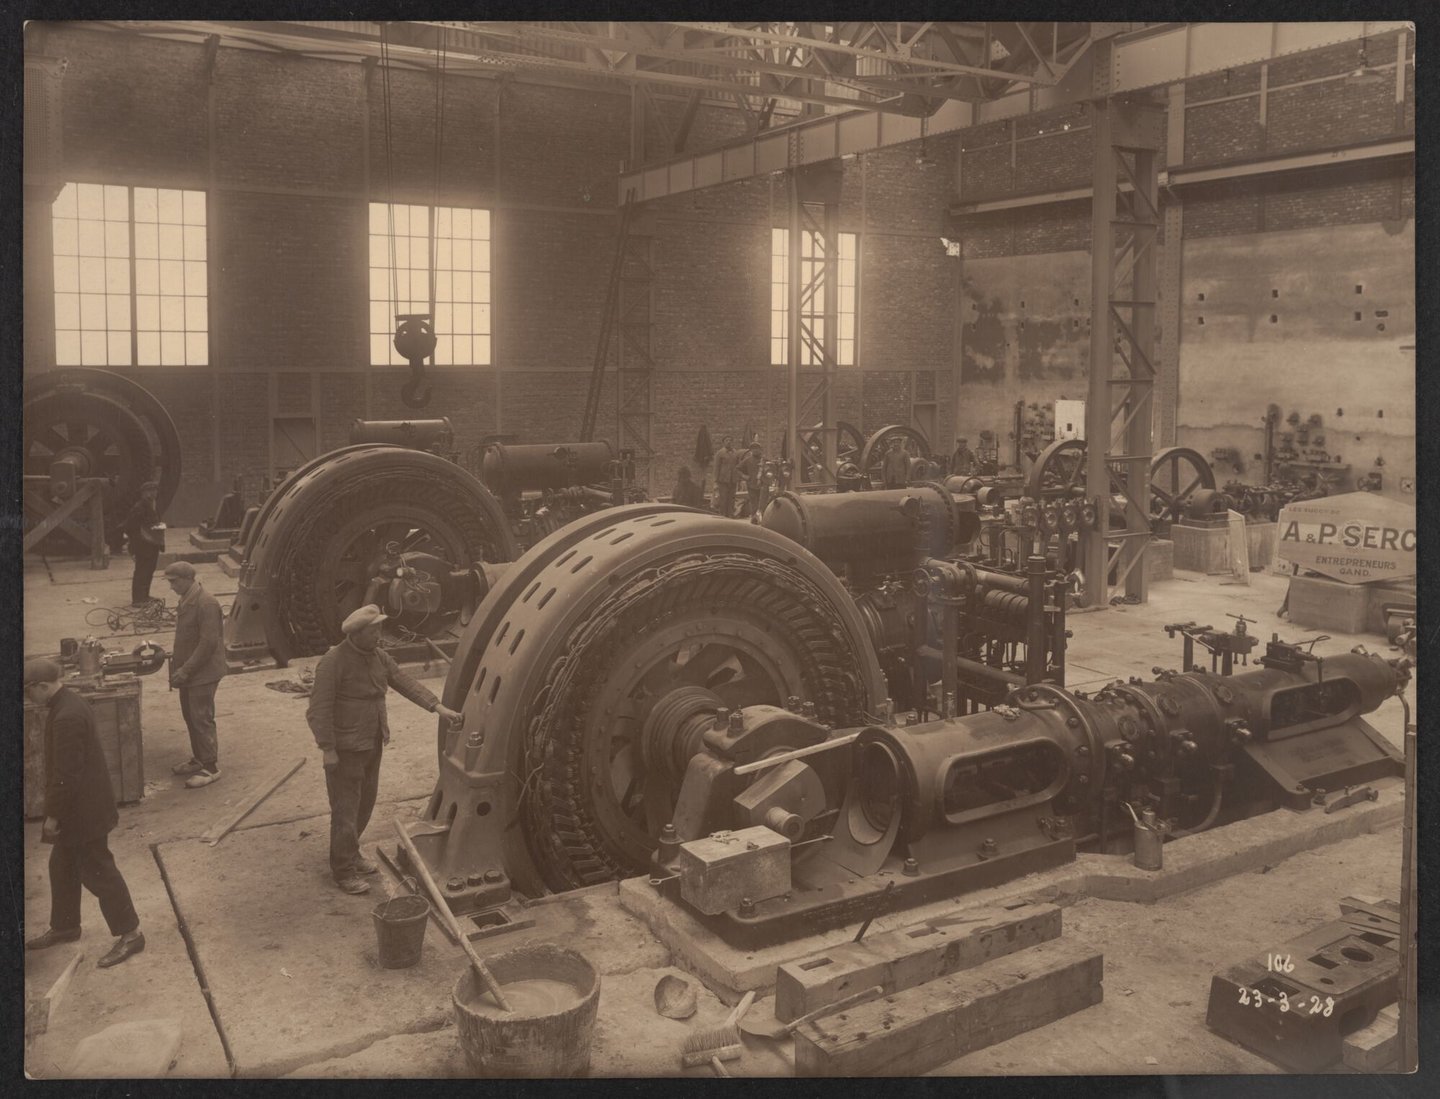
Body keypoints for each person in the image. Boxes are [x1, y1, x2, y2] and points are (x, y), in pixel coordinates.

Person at [306, 605, 464, 894]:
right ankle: (342, 871)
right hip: (346, 749)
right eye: (374, 630)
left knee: (365, 803)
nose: (379, 634)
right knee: (345, 810)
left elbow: (404, 682)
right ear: (356, 633)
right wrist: (328, 748)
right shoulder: (333, 661)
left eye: (379, 628)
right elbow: (318, 709)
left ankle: (351, 853)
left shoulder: (377, 656)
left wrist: (439, 708)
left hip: (372, 741)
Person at [24, 658, 145, 968]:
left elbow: (66, 774)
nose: (27, 699)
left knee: (98, 871)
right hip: (84, 803)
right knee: (61, 866)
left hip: (83, 810)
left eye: (28, 692)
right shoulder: (68, 702)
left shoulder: (66, 716)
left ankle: (131, 934)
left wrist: (53, 815)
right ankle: (66, 927)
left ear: (41, 686)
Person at [164, 562, 228, 788]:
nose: (171, 587)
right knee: (190, 716)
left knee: (201, 717)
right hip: (190, 672)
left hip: (203, 672)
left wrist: (185, 670)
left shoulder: (206, 603)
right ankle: (199, 758)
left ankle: (211, 767)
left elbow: (209, 643)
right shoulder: (186, 600)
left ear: (188, 578)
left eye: (174, 581)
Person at [121, 480, 165, 606]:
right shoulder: (139, 507)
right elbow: (130, 526)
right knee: (142, 570)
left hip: (152, 543)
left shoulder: (152, 505)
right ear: (144, 493)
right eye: (150, 491)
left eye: (155, 491)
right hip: (143, 544)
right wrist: (137, 540)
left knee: (149, 569)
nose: (153, 493)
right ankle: (138, 599)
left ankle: (145, 595)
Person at [713, 435, 739, 518]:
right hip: (723, 480)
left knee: (731, 499)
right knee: (723, 500)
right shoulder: (720, 453)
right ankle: (723, 516)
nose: (729, 442)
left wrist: (739, 478)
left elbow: (738, 466)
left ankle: (730, 515)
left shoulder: (735, 453)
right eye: (727, 440)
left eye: (730, 440)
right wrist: (715, 481)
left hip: (733, 480)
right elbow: (716, 468)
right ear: (723, 442)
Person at [737, 441, 764, 519]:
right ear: (751, 450)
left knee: (762, 502)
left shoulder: (764, 460)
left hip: (763, 485)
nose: (755, 450)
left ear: (760, 450)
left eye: (757, 448)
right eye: (753, 449)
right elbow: (738, 469)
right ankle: (754, 518)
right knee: (753, 503)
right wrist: (744, 476)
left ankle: (762, 518)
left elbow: (771, 468)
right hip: (752, 485)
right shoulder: (747, 460)